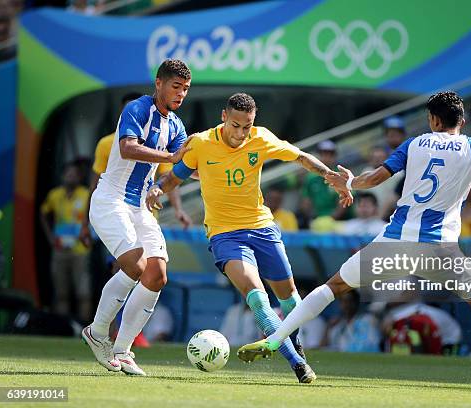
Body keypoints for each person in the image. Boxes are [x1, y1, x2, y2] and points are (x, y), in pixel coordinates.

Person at [238, 91, 471, 394]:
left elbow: (376, 177)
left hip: (394, 241)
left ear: (433, 119)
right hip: (438, 248)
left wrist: (347, 183)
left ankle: (275, 339)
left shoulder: (414, 145)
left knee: (333, 287)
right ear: (461, 119)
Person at [145, 93, 352, 383]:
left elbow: (301, 157)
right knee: (256, 296)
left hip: (262, 228)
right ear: (223, 117)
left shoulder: (261, 138)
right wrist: (157, 189)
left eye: (247, 126)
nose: (241, 133)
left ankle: (296, 345)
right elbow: (174, 178)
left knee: (291, 300)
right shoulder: (201, 143)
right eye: (235, 125)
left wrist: (330, 175)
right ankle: (297, 364)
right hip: (224, 234)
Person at [81, 59, 193, 376]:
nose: (181, 94)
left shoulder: (176, 125)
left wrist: (210, 168)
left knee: (156, 275)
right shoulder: (136, 109)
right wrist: (172, 158)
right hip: (110, 199)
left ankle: (124, 350)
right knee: (135, 264)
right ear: (158, 84)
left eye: (185, 89)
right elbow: (129, 148)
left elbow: (182, 167)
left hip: (140, 205)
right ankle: (98, 331)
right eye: (176, 86)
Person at [79, 92, 192, 248]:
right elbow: (94, 185)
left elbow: (169, 175)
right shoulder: (106, 143)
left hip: (145, 210)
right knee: (128, 263)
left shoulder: (162, 136)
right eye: (133, 110)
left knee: (153, 270)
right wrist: (85, 223)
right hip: (115, 207)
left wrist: (178, 209)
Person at [40, 162, 92, 322]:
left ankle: (84, 328)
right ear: (63, 176)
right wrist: (50, 238)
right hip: (60, 249)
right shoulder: (55, 195)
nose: (71, 177)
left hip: (80, 250)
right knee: (61, 293)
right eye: (68, 174)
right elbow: (43, 213)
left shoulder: (86, 194)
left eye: (74, 174)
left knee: (83, 292)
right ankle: (63, 328)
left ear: (80, 177)